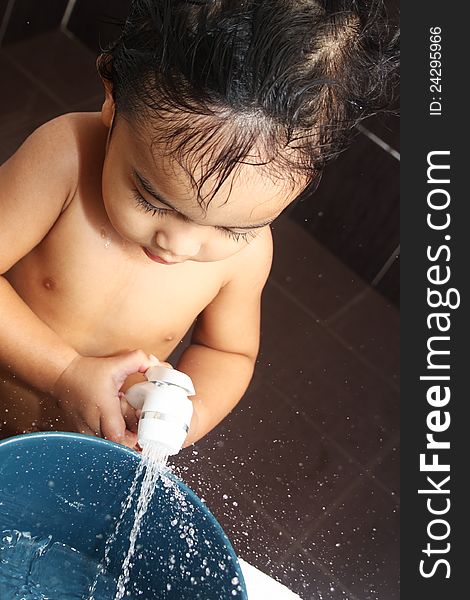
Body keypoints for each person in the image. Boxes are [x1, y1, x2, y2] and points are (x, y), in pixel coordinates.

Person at [0, 0, 398, 449]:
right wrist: (64, 372)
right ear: (113, 96)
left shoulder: (248, 257)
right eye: (152, 199)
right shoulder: (66, 159)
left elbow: (227, 352)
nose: (180, 245)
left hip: (77, 445)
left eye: (232, 229)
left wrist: (184, 420)